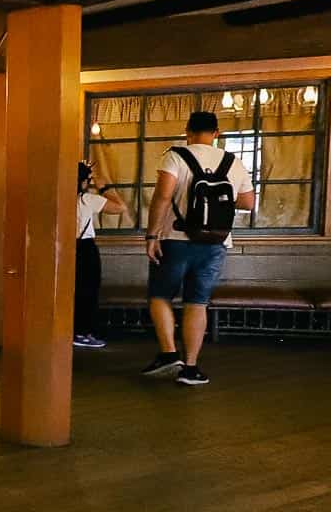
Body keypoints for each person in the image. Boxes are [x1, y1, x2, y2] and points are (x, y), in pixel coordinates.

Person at [142, 110, 254, 386]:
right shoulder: (233, 162)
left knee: (160, 295)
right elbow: (248, 203)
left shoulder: (176, 156)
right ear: (217, 133)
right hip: (215, 243)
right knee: (197, 302)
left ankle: (169, 354)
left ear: (187, 131)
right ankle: (191, 369)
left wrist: (151, 235)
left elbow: (163, 196)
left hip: (175, 240)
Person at [74, 153, 129, 349]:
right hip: (85, 248)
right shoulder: (87, 199)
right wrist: (104, 187)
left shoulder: (60, 198)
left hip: (66, 248)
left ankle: (73, 330)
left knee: (73, 290)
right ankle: (82, 332)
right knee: (88, 290)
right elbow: (120, 207)